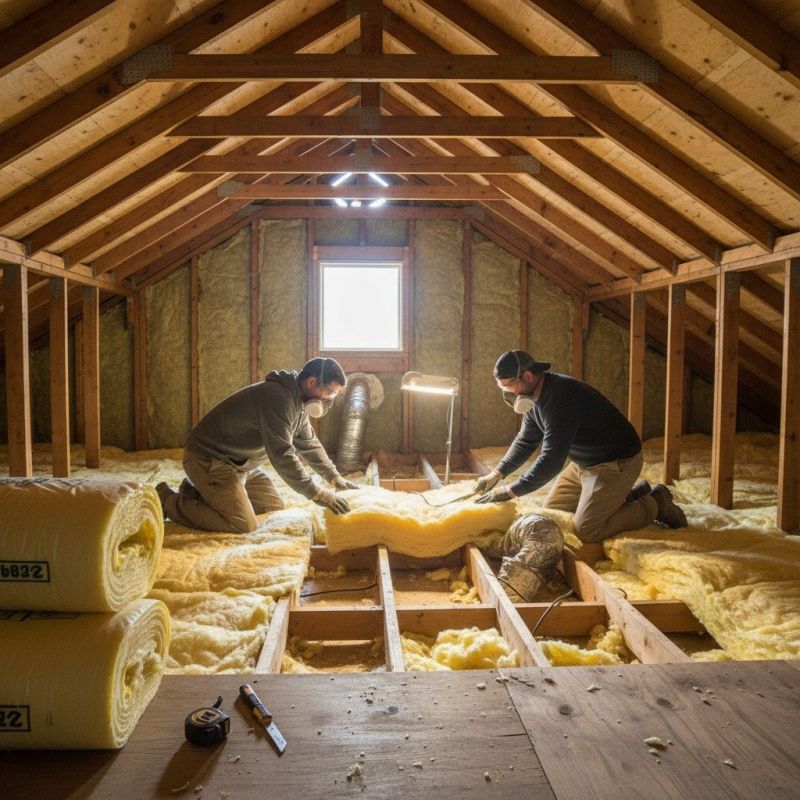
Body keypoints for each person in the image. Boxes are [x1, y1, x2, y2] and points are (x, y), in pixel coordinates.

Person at [474, 350, 687, 542]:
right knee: (552, 513)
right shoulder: (533, 399)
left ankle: (654, 504)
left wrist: (511, 491)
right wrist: (497, 473)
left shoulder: (560, 399)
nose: (508, 394)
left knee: (587, 529)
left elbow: (551, 461)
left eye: (509, 386)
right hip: (583, 463)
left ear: (528, 377)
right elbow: (525, 441)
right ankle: (630, 495)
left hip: (614, 463)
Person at [156, 357, 358, 533]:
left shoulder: (298, 403)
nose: (330, 400)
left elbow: (309, 444)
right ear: (312, 382)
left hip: (241, 463)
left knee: (271, 506)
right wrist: (317, 493)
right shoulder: (278, 399)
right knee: (241, 523)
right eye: (330, 393)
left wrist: (334, 476)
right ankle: (167, 500)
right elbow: (283, 456)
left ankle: (195, 492)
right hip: (210, 458)